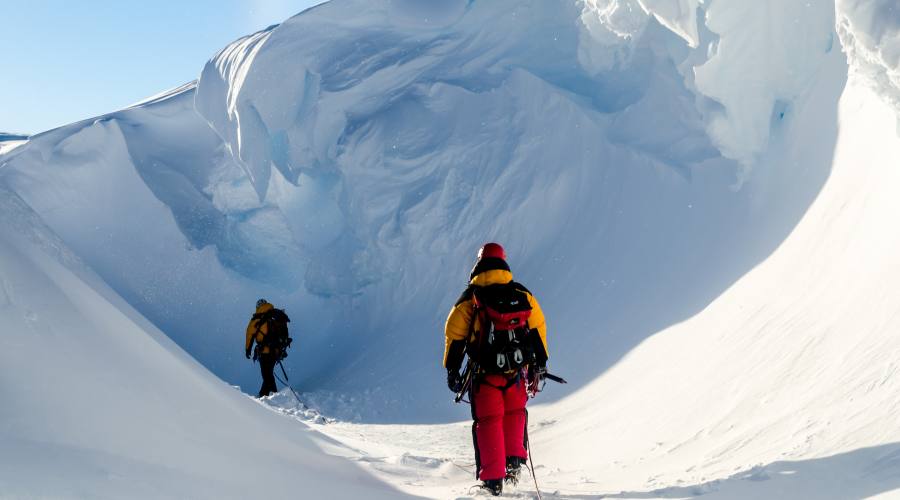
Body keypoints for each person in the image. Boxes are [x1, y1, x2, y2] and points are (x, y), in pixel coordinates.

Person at [444, 243, 549, 496]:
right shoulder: (521, 293)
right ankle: (514, 465)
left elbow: (454, 335)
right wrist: (540, 363)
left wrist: (452, 370)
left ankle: (492, 483)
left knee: (489, 421)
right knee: (515, 413)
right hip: (517, 370)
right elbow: (538, 328)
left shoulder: (471, 298)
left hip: (485, 374)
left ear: (478, 264)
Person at [245, 298, 292, 398]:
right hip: (276, 351)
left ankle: (273, 395)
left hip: (265, 351)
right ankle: (265, 394)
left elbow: (249, 335)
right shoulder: (275, 315)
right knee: (268, 373)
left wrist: (248, 350)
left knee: (267, 375)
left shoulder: (257, 318)